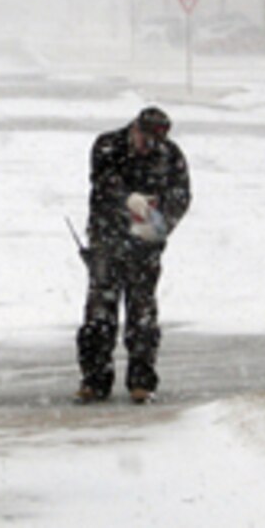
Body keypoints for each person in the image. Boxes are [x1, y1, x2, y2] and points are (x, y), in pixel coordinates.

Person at [75, 106, 192, 404]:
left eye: (155, 143)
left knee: (142, 315)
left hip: (145, 248)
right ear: (135, 129)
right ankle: (95, 380)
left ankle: (141, 381)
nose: (148, 149)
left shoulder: (170, 155)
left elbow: (181, 195)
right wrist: (127, 201)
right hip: (107, 240)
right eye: (145, 140)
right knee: (100, 313)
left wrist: (159, 224)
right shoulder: (108, 145)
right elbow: (102, 184)